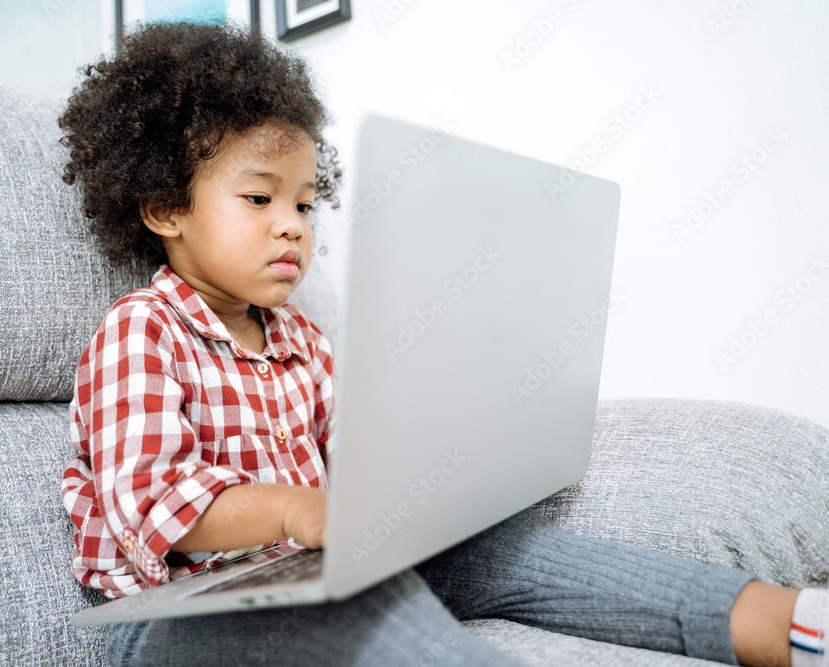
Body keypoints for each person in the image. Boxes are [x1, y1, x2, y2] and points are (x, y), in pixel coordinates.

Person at [57, 20, 828, 667]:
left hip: (299, 570)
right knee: (355, 600)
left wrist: (424, 479)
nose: (293, 223)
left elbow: (351, 460)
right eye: (259, 198)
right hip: (174, 619)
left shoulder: (302, 341)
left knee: (495, 549)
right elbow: (156, 506)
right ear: (164, 207)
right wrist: (297, 508)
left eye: (302, 201)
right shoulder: (141, 330)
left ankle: (790, 622)